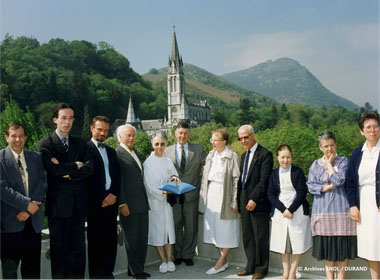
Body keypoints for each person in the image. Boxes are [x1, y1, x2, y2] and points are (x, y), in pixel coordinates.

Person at [37, 103, 93, 279]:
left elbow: (90, 168)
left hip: (78, 207)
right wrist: (75, 166)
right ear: (55, 120)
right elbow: (53, 171)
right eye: (63, 118)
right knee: (59, 254)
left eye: (70, 118)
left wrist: (66, 170)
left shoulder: (80, 143)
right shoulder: (45, 143)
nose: (67, 122)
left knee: (78, 254)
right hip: (58, 209)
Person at [307, 130, 356, 279]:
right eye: (326, 146)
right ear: (320, 147)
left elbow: (339, 181)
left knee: (342, 249)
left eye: (332, 145)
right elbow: (310, 186)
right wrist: (326, 187)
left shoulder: (343, 162)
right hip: (322, 213)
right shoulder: (315, 164)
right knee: (327, 249)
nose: (329, 149)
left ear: (336, 145)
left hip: (342, 213)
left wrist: (329, 165)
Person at [1, 122, 47, 279]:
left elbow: (42, 183)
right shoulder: (0, 159)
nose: (18, 139)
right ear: (7, 138)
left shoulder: (35, 157)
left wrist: (29, 210)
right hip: (9, 227)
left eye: (21, 135)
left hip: (33, 225)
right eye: (13, 136)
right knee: (9, 273)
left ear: (26, 137)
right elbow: (3, 190)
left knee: (32, 273)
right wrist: (28, 205)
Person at [164, 122, 207, 266]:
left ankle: (188, 255)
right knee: (175, 225)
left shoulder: (199, 149)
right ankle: (177, 255)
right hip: (174, 196)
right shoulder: (167, 151)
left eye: (185, 133)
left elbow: (207, 168)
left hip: (191, 195)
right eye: (180, 133)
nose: (183, 136)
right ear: (175, 134)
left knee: (191, 226)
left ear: (189, 134)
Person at [199, 129, 241, 275]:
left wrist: (234, 201)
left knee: (226, 228)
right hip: (212, 194)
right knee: (215, 229)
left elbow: (237, 180)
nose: (213, 142)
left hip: (226, 195)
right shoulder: (211, 155)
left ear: (224, 141)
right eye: (212, 139)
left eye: (216, 139)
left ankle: (220, 263)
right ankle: (223, 261)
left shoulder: (232, 157)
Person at [267, 144, 312, 280]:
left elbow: (302, 192)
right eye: (282, 157)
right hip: (280, 212)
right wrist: (283, 209)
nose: (285, 160)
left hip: (296, 211)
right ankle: (285, 272)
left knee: (297, 243)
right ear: (277, 158)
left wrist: (291, 209)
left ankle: (293, 273)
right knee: (283, 244)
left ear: (292, 157)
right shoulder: (274, 174)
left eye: (288, 157)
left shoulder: (297, 172)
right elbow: (271, 193)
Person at [346, 111, 380, 280]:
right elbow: (350, 182)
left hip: (378, 201)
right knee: (372, 247)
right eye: (368, 127)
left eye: (375, 126)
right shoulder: (357, 153)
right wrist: (353, 206)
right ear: (361, 131)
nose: (372, 130)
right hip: (365, 204)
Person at [237, 124, 273, 279]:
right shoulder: (243, 156)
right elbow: (241, 179)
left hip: (258, 201)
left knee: (260, 236)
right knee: (247, 235)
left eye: (246, 137)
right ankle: (250, 265)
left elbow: (264, 180)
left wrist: (254, 199)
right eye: (241, 138)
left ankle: (261, 268)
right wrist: (238, 200)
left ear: (253, 135)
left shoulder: (265, 154)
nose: (244, 140)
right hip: (244, 197)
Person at [86, 116, 121, 279]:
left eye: (106, 130)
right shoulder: (85, 150)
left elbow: (117, 176)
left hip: (111, 204)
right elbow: (88, 179)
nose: (103, 133)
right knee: (95, 244)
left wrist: (113, 195)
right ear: (92, 129)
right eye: (99, 129)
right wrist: (103, 197)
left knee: (110, 242)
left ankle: (108, 274)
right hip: (96, 205)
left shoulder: (111, 151)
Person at [116, 124, 150, 279]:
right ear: (120, 137)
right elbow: (118, 182)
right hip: (129, 205)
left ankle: (135, 268)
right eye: (128, 135)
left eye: (133, 135)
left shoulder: (134, 151)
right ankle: (136, 271)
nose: (131, 138)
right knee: (132, 239)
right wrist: (122, 203)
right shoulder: (117, 153)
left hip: (141, 203)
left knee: (142, 237)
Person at [143, 132, 180, 274]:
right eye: (157, 144)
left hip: (167, 203)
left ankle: (170, 259)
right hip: (155, 203)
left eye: (162, 144)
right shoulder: (148, 163)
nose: (159, 147)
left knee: (169, 231)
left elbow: (174, 175)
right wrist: (162, 193)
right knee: (158, 232)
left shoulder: (168, 161)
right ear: (153, 145)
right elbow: (149, 185)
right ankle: (163, 261)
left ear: (166, 144)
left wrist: (175, 180)